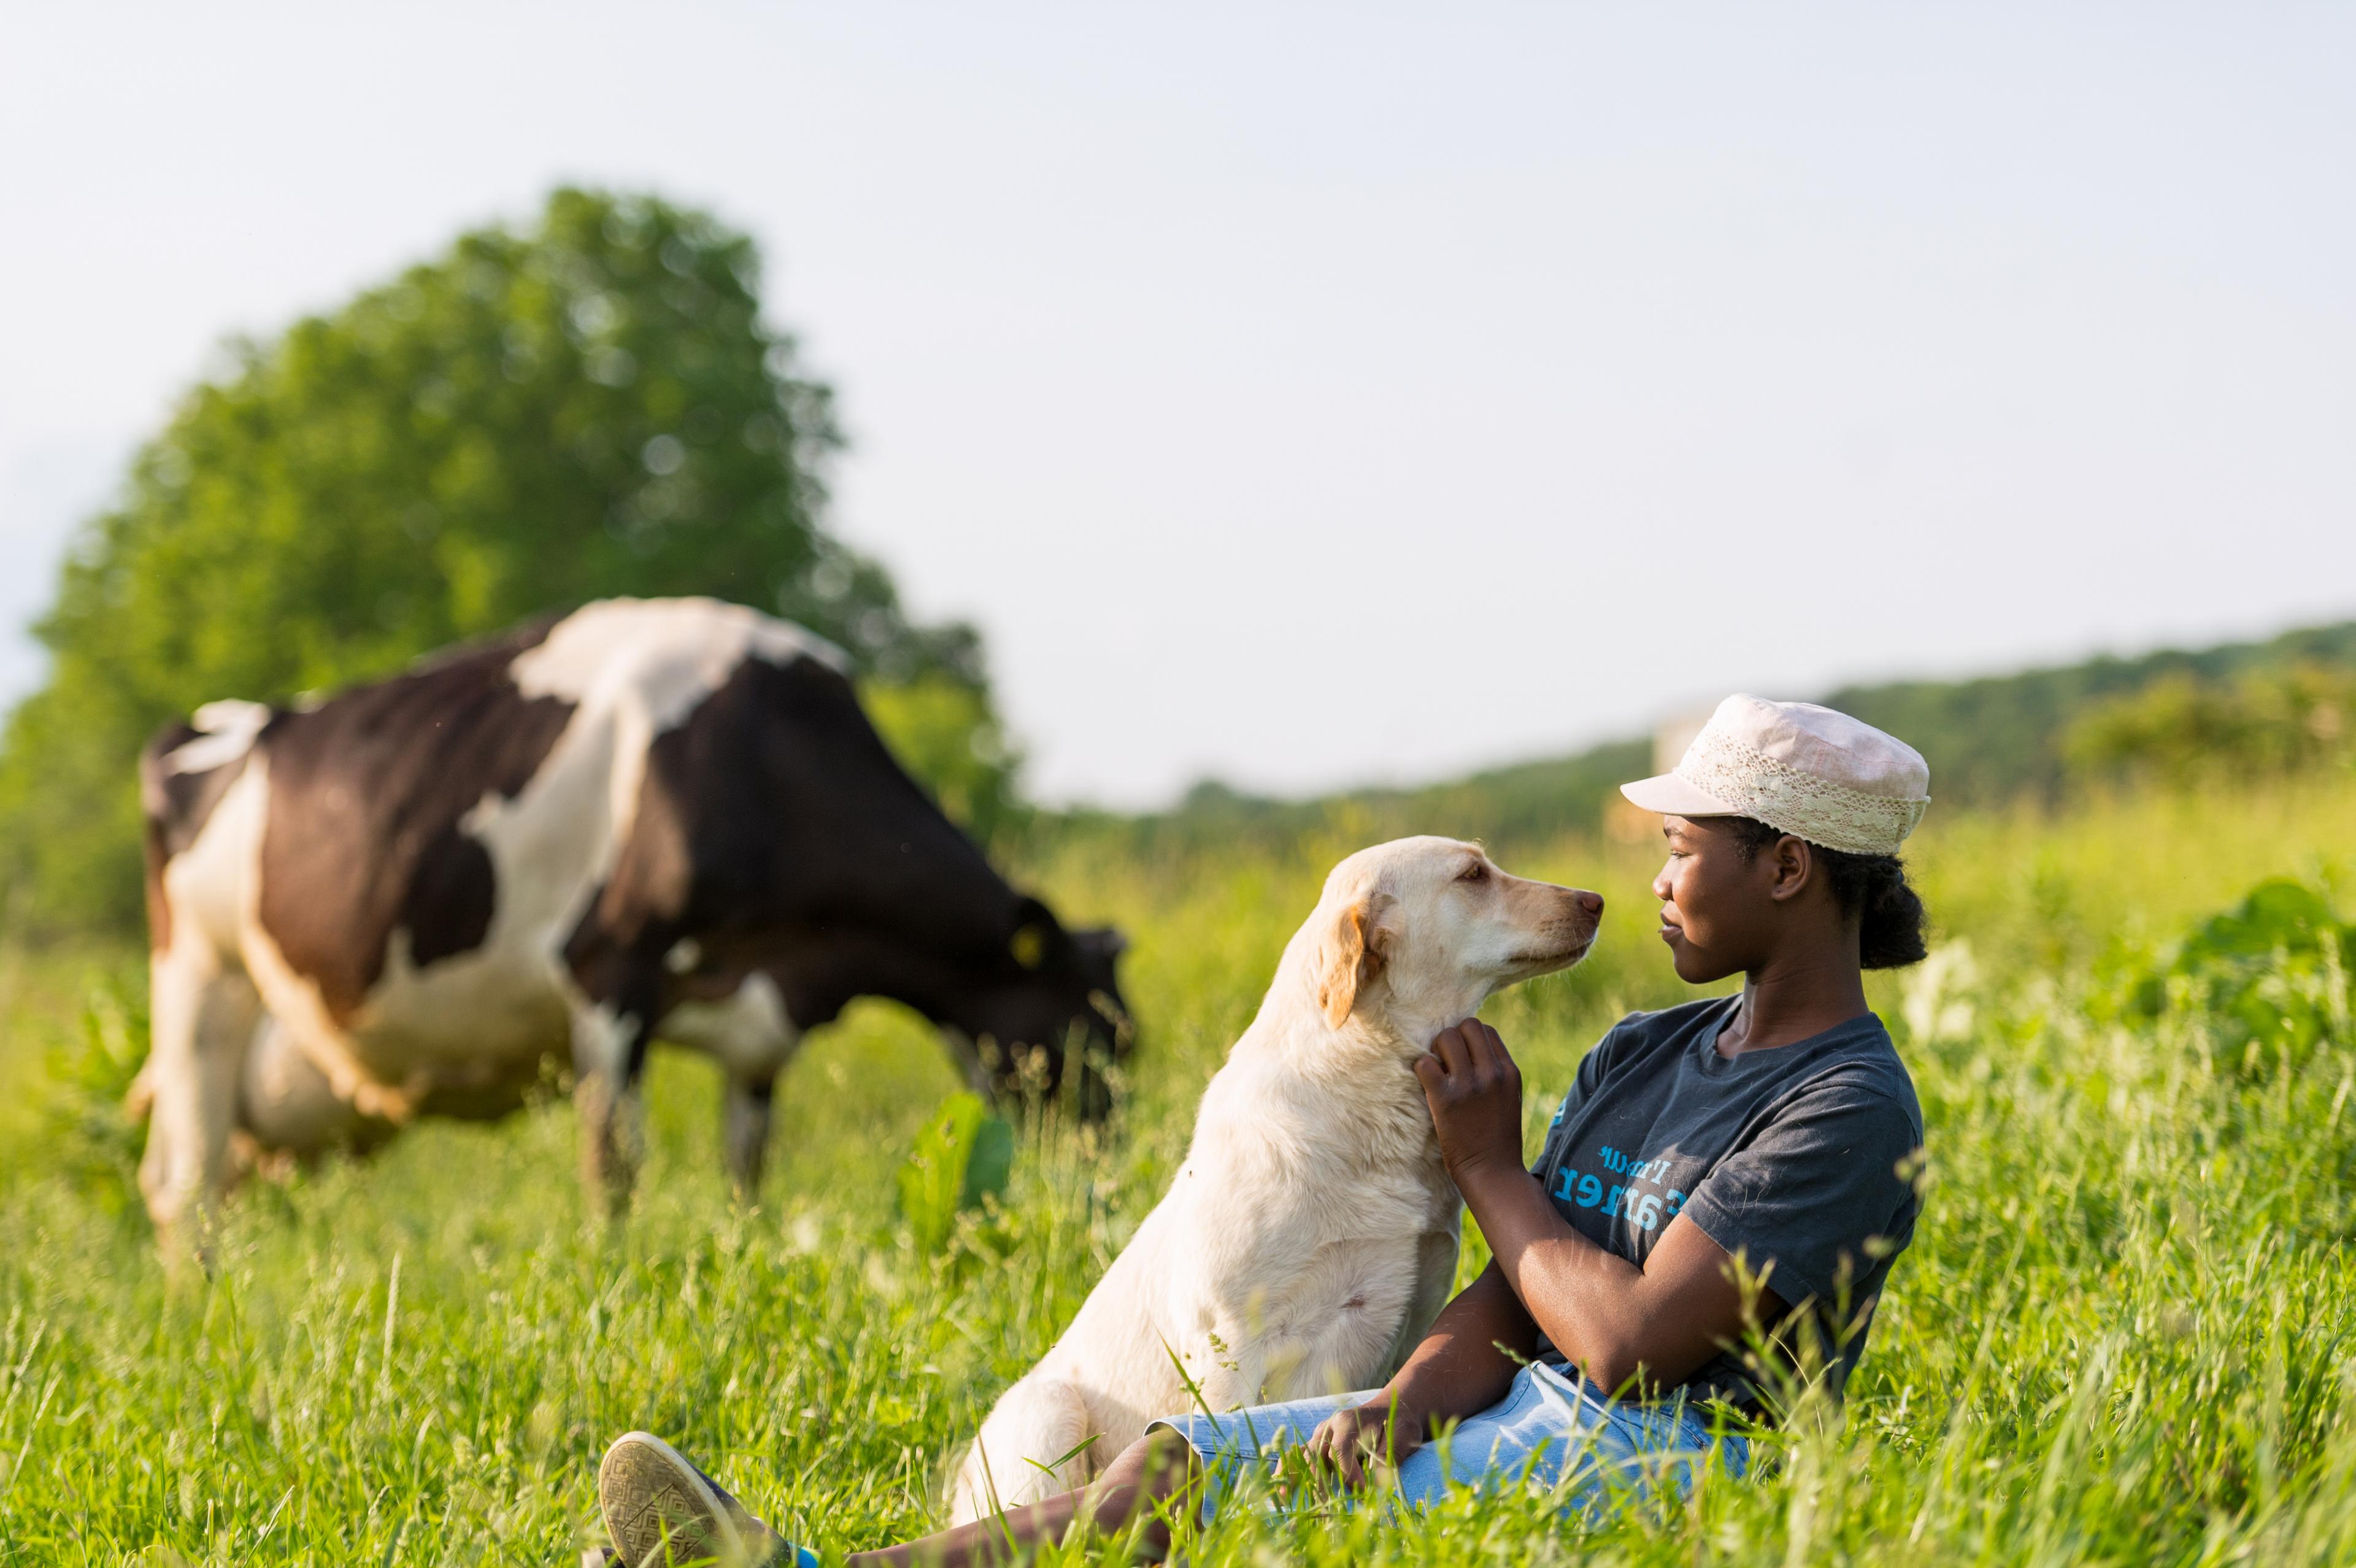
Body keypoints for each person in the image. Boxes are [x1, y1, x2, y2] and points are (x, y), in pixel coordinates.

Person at [590, 695, 1934, 1567]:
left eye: (1684, 845)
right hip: (1526, 1409)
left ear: (1789, 866)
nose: (1652, 876)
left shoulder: (1842, 1103)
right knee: (1172, 1460)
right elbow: (1508, 1304)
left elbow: (1634, 1344)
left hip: (1667, 1467)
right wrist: (1404, 1399)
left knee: (1210, 1504)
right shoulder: (1648, 1052)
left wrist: (1485, 1169)